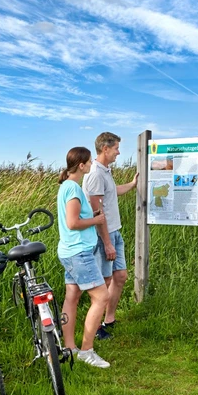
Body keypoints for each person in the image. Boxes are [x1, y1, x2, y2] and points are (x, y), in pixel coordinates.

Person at [56, 146, 111, 369]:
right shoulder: (74, 189)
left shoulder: (66, 187)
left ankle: (70, 347)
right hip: (79, 253)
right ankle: (87, 351)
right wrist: (96, 221)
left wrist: (92, 215)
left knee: (72, 297)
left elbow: (77, 217)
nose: (91, 165)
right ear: (81, 165)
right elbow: (73, 223)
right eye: (89, 162)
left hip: (69, 251)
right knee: (101, 298)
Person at [82, 132, 138, 339]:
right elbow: (97, 212)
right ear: (105, 149)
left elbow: (113, 192)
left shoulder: (106, 171)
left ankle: (110, 319)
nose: (118, 152)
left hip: (115, 231)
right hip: (103, 236)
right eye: (116, 148)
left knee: (120, 276)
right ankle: (96, 329)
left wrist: (132, 185)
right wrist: (107, 243)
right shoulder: (95, 173)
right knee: (103, 283)